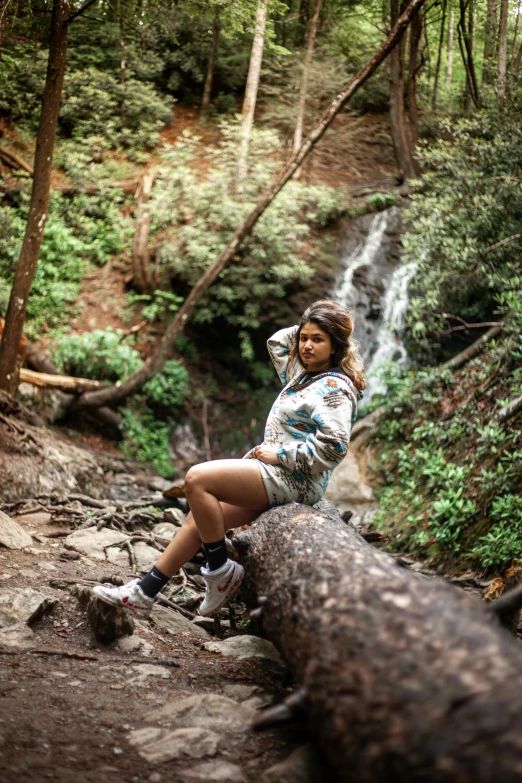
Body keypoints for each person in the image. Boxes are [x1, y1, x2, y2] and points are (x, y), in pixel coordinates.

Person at [93, 299, 365, 619]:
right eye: (304, 337)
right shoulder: (304, 374)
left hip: (294, 478)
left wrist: (279, 454)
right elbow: (277, 342)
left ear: (336, 345)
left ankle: (220, 570)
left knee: (197, 479)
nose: (305, 345)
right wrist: (314, 319)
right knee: (200, 519)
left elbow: (333, 449)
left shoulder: (334, 387)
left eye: (317, 340)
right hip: (277, 473)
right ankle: (143, 592)